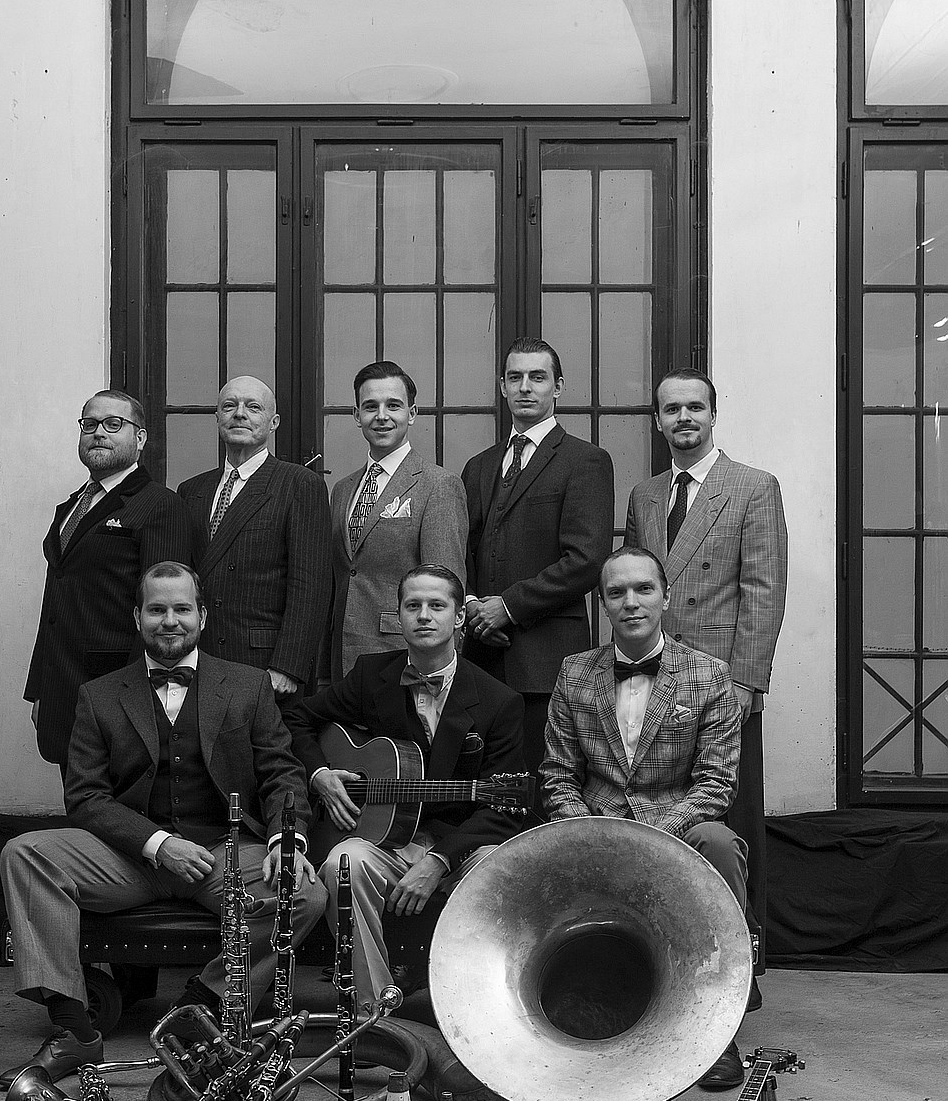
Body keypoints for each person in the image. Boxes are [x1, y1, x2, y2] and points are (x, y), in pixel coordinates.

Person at [0, 562, 326, 1088]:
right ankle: (74, 1030)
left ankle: (200, 1012)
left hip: (224, 853)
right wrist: (157, 843)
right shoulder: (99, 695)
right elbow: (85, 797)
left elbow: (281, 773)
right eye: (156, 610)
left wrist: (287, 840)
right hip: (131, 856)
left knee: (304, 893)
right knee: (24, 853)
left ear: (202, 616)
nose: (169, 621)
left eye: (181, 609)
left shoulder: (247, 686)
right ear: (137, 617)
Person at [541, 546, 748, 1088]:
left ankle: (718, 1028)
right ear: (603, 604)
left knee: (720, 842)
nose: (630, 602)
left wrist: (654, 835)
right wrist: (591, 830)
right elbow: (558, 774)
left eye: (643, 589)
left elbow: (716, 783)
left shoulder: (710, 675)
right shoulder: (574, 673)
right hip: (593, 826)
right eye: (616, 593)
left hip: (677, 826)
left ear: (666, 598)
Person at [287, 565, 526, 1005]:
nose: (424, 616)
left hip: (461, 846)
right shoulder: (371, 675)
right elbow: (297, 718)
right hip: (388, 842)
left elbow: (503, 810)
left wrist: (439, 859)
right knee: (343, 863)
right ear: (398, 617)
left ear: (459, 617)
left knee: (499, 868)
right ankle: (372, 1009)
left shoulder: (499, 701)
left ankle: (480, 1007)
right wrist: (321, 776)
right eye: (412, 606)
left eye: (437, 605)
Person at [624, 367, 787, 974]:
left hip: (723, 684)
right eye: (672, 409)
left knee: (727, 823)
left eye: (695, 407)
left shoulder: (752, 487)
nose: (684, 418)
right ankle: (665, 956)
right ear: (657, 420)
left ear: (713, 415)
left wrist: (745, 682)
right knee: (657, 809)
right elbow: (636, 585)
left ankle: (742, 959)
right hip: (656, 676)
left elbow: (764, 589)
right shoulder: (645, 495)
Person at [462, 337, 614, 791]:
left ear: (558, 387)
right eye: (515, 377)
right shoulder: (479, 466)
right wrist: (472, 605)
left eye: (537, 377)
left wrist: (507, 607)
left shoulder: (585, 461)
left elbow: (586, 560)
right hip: (482, 657)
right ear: (502, 387)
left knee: (543, 788)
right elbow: (464, 551)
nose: (525, 387)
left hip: (546, 662)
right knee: (487, 789)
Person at [25, 390, 191, 771]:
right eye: (90, 424)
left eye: (114, 424)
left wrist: (142, 701)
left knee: (113, 806)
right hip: (62, 692)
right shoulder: (71, 507)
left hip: (119, 696)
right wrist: (39, 690)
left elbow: (164, 615)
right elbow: (54, 602)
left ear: (140, 438)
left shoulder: (160, 506)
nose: (99, 432)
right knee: (76, 803)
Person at [178, 376, 331, 702]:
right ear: (217, 418)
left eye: (253, 407)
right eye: (229, 406)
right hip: (199, 660)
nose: (239, 414)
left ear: (273, 422)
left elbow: (310, 585)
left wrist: (289, 666)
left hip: (265, 666)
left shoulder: (298, 484)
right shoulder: (192, 490)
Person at [328, 361, 468, 679]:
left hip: (403, 656)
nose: (382, 416)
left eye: (393, 405)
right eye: (370, 407)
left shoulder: (438, 485)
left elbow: (446, 588)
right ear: (356, 415)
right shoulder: (342, 489)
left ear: (412, 413)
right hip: (342, 656)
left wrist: (441, 671)